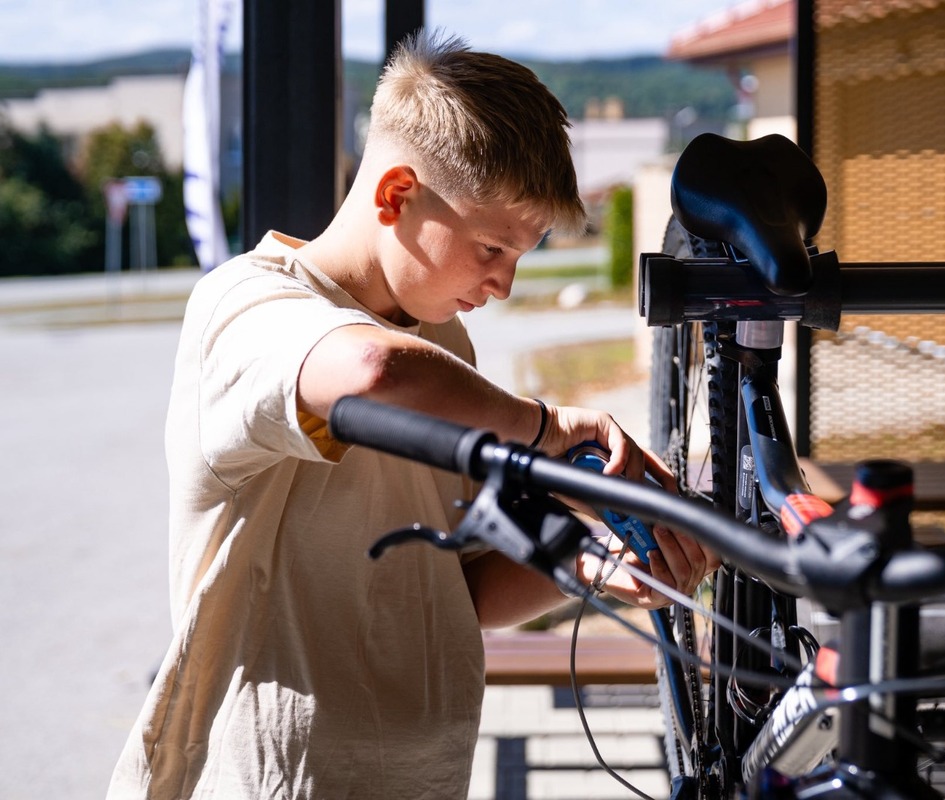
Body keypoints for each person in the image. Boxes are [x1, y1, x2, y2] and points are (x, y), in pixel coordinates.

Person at [107, 30, 717, 800]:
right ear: (397, 194)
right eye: (492, 247)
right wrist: (547, 428)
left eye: (521, 257)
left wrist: (593, 566)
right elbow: (370, 370)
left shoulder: (440, 344)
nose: (504, 284)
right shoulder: (248, 305)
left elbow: (458, 590)